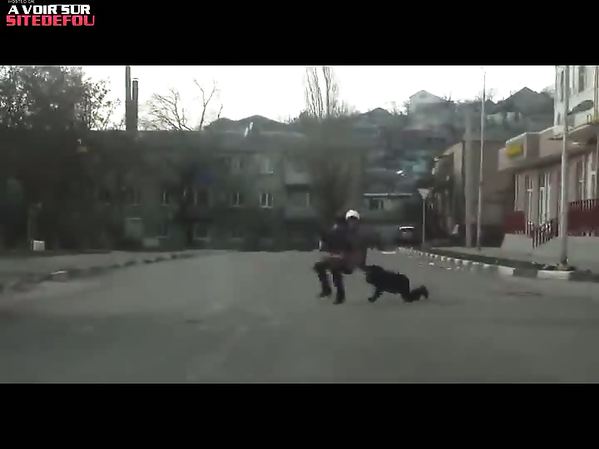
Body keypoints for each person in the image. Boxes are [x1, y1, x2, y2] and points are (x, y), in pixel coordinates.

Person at [313, 209, 367, 305]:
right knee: (321, 266)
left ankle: (339, 295)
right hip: (339, 259)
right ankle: (328, 290)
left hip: (349, 261)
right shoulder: (339, 231)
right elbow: (329, 240)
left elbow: (354, 247)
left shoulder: (351, 232)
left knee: (333, 268)